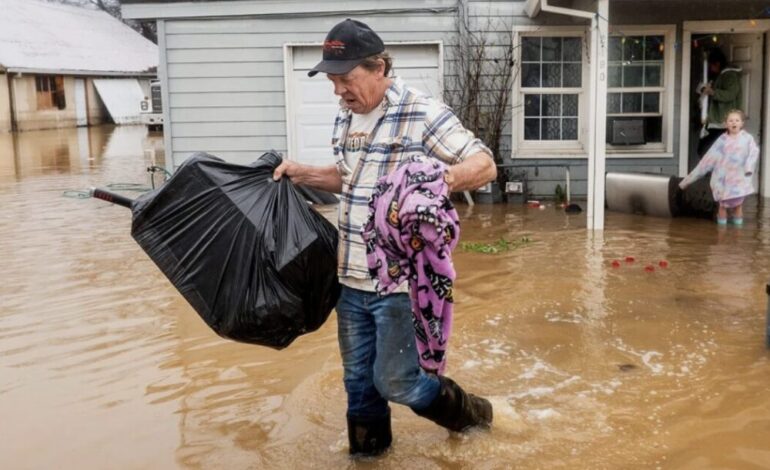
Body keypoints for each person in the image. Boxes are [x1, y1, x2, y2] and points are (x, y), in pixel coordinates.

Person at [272, 19, 497, 456]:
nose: (338, 90)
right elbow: (350, 179)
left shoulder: (422, 111)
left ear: (378, 68)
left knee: (397, 381)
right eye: (333, 81)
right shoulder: (346, 117)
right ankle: (369, 458)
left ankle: (475, 415)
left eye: (346, 79)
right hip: (350, 277)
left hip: (398, 284)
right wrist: (303, 173)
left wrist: (432, 178)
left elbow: (484, 165)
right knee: (358, 383)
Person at [680, 109, 758, 225]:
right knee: (722, 206)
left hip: (739, 180)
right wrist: (686, 181)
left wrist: (749, 168)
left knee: (738, 206)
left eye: (737, 120)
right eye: (730, 121)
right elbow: (707, 161)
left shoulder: (747, 139)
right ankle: (721, 234)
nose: (733, 123)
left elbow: (753, 153)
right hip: (723, 181)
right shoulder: (722, 140)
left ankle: (738, 234)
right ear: (726, 124)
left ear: (742, 123)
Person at [697, 47, 743, 157]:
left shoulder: (730, 75)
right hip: (717, 122)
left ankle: (717, 172)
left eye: (711, 65)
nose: (710, 68)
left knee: (706, 151)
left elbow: (730, 94)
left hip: (723, 122)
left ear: (717, 63)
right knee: (705, 150)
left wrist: (713, 92)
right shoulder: (721, 76)